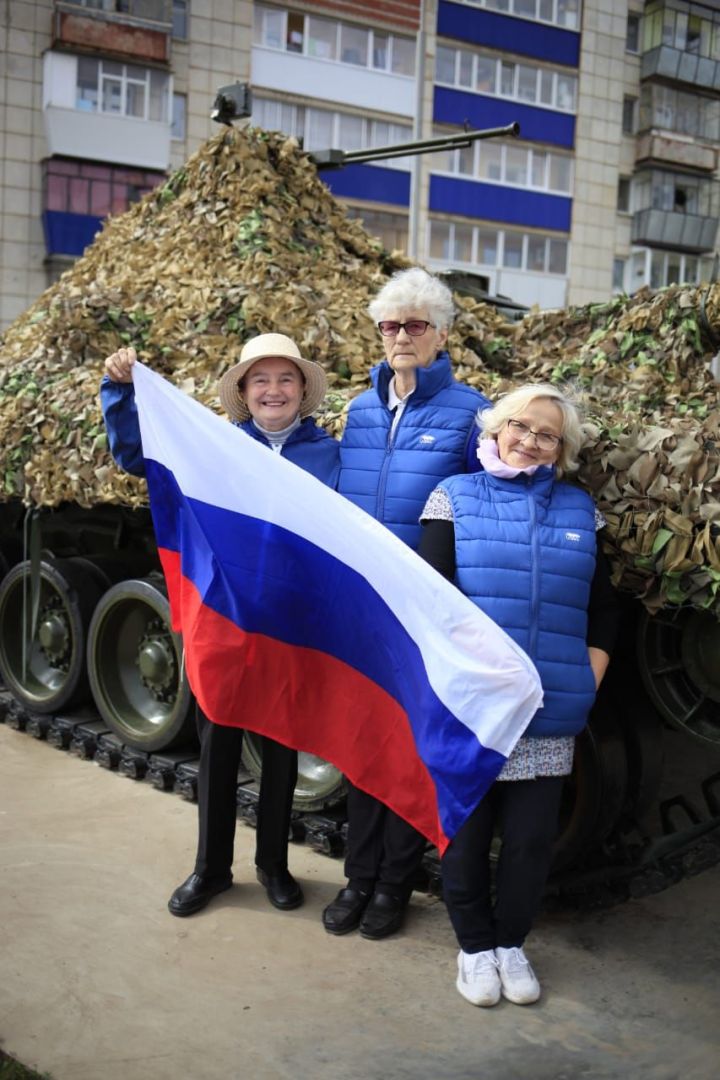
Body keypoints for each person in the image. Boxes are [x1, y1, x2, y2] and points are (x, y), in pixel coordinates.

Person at [100, 333, 339, 917]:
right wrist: (121, 391)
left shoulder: (331, 453)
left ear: (303, 390)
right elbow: (138, 457)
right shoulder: (212, 447)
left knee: (281, 744)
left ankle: (274, 865)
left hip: (291, 622)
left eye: (285, 379)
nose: (273, 390)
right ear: (243, 393)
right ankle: (211, 869)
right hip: (224, 620)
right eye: (260, 380)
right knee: (219, 747)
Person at [418, 383, 620, 1007]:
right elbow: (433, 602)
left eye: (547, 434)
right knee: (469, 838)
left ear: (561, 451)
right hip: (475, 711)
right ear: (495, 429)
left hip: (548, 708)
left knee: (531, 843)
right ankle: (475, 950)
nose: (531, 440)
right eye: (521, 426)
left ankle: (511, 944)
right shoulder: (453, 498)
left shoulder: (579, 511)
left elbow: (605, 608)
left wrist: (588, 675)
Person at [322, 266, 491, 942]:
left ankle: (394, 885)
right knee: (364, 747)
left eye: (415, 325)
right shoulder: (359, 410)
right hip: (365, 605)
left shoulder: (470, 411)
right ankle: (357, 879)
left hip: (425, 610)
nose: (400, 336)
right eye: (390, 325)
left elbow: (483, 506)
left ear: (442, 335)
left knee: (411, 753)